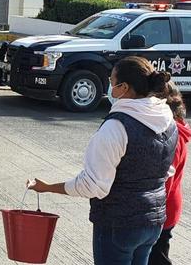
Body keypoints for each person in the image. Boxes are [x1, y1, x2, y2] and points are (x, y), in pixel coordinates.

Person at [27, 56, 178, 265]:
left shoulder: (116, 127)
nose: (109, 85)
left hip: (119, 224)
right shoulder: (167, 118)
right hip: (153, 221)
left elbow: (93, 186)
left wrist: (48, 187)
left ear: (123, 87)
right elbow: (166, 169)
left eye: (111, 80)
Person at [149, 83, 191, 265]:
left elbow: (163, 182)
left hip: (161, 211)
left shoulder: (170, 137)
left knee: (157, 258)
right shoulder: (177, 129)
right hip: (167, 208)